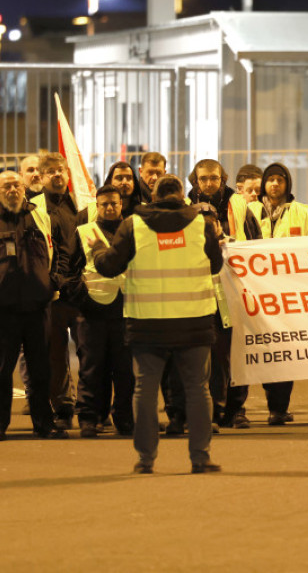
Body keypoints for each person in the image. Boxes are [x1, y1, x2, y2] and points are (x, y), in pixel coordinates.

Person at [95, 174, 223, 474]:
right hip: (193, 321)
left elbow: (110, 266)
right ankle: (200, 457)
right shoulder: (201, 224)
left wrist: (95, 250)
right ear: (182, 195)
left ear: (153, 196)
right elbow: (216, 265)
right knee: (197, 389)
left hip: (147, 324)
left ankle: (146, 459)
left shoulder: (133, 225)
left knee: (145, 391)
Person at [0, 171, 68, 441]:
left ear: (23, 189)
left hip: (38, 306)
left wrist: (53, 281)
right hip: (3, 308)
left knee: (40, 370)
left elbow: (62, 252)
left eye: (16, 185)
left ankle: (43, 424)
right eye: (6, 186)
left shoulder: (42, 217)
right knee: (0, 371)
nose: (13, 190)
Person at [243, 162, 308, 425]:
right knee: (248, 349)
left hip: (287, 296)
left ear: (288, 184)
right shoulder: (248, 210)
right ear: (263, 183)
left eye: (280, 180)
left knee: (284, 352)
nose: (275, 184)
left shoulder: (302, 213)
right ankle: (237, 408)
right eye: (270, 179)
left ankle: (278, 408)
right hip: (253, 294)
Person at [65, 185, 134, 437]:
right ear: (97, 205)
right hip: (91, 311)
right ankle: (88, 418)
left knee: (125, 370)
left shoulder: (132, 230)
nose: (109, 208)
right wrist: (80, 297)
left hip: (125, 309)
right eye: (104, 204)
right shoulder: (84, 231)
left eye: (113, 203)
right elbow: (70, 267)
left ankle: (125, 419)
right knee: (92, 369)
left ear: (121, 204)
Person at [188, 159, 250, 428]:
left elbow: (254, 246)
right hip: (200, 294)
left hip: (234, 291)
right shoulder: (186, 207)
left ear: (223, 179)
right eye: (203, 179)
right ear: (195, 181)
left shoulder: (240, 206)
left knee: (237, 354)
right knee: (206, 358)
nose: (209, 183)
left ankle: (236, 409)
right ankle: (210, 409)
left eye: (214, 178)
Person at [29, 152, 79, 430]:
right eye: (52, 172)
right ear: (42, 177)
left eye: (61, 170)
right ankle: (63, 406)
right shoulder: (35, 206)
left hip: (83, 289)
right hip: (53, 290)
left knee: (90, 352)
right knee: (55, 353)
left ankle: (91, 406)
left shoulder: (81, 202)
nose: (58, 175)